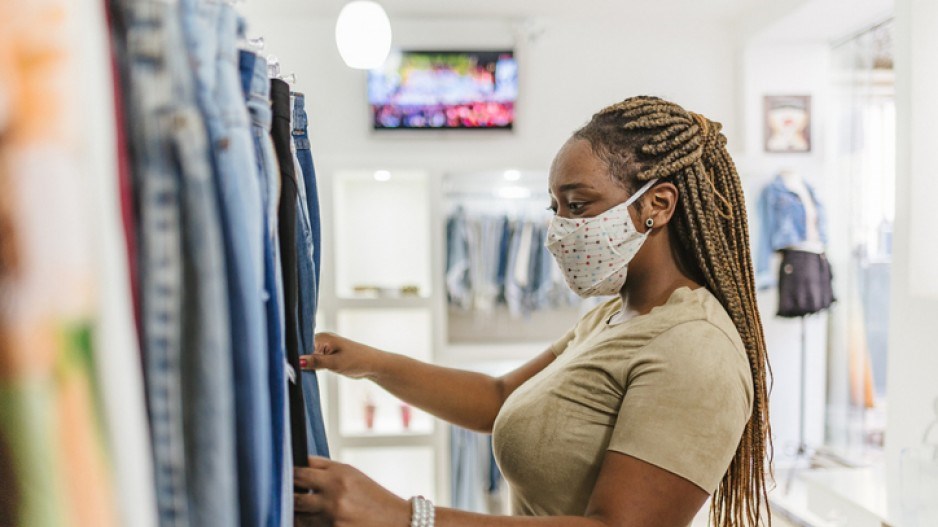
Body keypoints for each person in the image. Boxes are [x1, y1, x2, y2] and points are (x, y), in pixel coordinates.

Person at [294, 96, 772, 527]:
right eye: (555, 208)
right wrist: (370, 363)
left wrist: (405, 517)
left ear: (658, 204)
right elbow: (498, 397)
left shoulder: (695, 346)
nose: (559, 229)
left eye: (578, 204)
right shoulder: (615, 316)